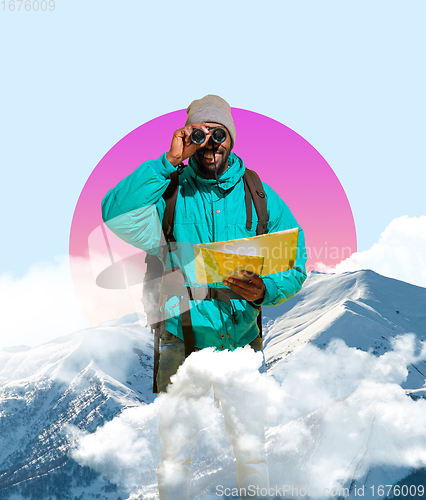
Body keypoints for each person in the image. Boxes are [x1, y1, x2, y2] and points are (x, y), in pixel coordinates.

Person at [101, 95, 307, 500]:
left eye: (219, 135)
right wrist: (168, 161)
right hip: (181, 338)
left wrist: (267, 289)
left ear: (231, 140)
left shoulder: (258, 195)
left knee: (252, 453)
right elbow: (114, 212)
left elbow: (296, 265)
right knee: (176, 456)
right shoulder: (169, 194)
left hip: (241, 339)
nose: (211, 144)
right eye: (201, 134)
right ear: (188, 137)